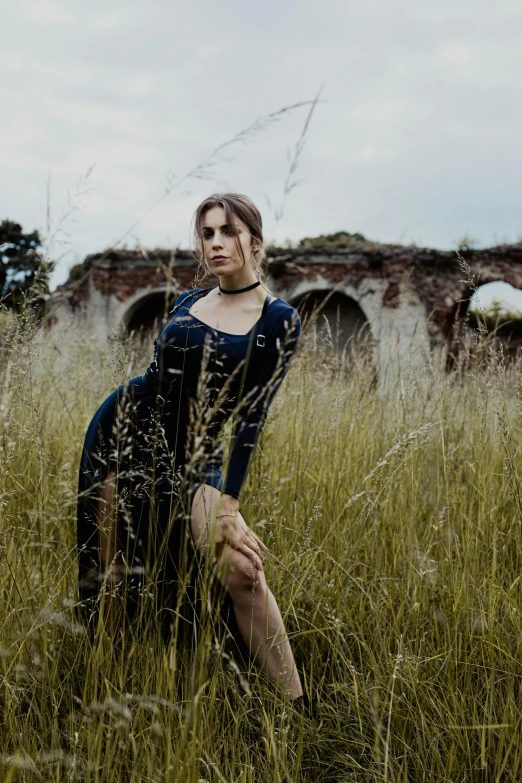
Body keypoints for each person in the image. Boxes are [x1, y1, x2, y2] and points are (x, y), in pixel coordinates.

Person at [76, 193, 304, 701]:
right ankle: (108, 690)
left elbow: (251, 418)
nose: (217, 243)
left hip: (197, 456)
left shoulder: (278, 318)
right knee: (114, 568)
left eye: (229, 231)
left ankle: (297, 705)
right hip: (124, 432)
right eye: (207, 234)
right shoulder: (187, 301)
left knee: (244, 572)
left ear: (257, 242)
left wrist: (229, 502)